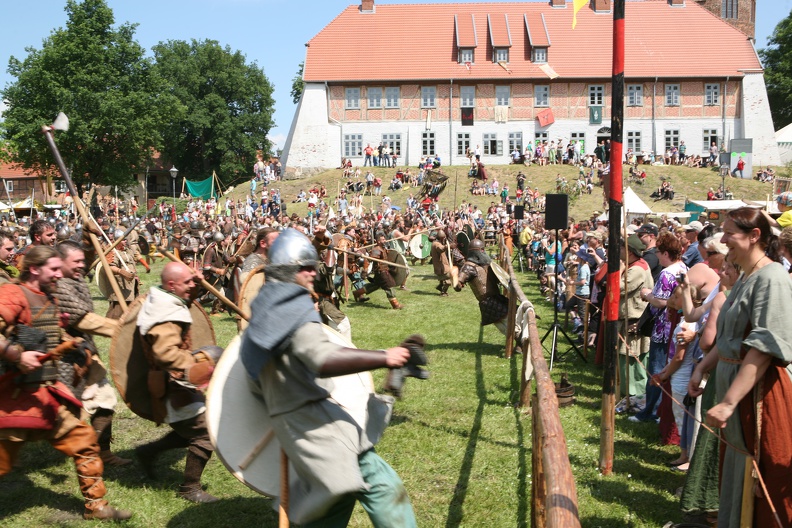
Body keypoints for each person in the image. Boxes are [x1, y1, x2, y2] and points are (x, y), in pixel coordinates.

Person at [240, 229, 419, 526]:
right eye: (306, 267)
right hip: (319, 424)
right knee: (381, 484)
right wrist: (385, 356)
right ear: (289, 270)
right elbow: (322, 358)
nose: (314, 271)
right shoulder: (293, 309)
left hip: (294, 427)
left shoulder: (264, 307)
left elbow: (254, 381)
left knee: (334, 498)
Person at [0, 246, 132, 521]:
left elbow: (48, 331)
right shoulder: (12, 294)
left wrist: (70, 345)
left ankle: (96, 507)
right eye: (54, 269)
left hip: (43, 395)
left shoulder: (47, 296)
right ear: (35, 268)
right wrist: (15, 353)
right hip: (13, 400)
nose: (60, 275)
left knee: (84, 442)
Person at [688, 208, 792, 526]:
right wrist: (702, 368)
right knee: (736, 473)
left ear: (754, 235)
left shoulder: (772, 278)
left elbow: (764, 348)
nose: (723, 239)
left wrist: (730, 401)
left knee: (764, 479)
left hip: (759, 395)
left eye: (730, 232)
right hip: (735, 387)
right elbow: (729, 339)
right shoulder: (746, 277)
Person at [134, 262, 221, 503]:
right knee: (206, 432)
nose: (192, 286)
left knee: (190, 428)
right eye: (187, 282)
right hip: (172, 383)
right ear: (171, 285)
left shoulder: (166, 301)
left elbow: (187, 300)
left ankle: (148, 451)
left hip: (176, 382)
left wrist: (197, 283)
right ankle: (190, 488)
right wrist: (196, 365)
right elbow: (165, 354)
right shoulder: (165, 318)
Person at [56, 241, 131, 466]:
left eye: (81, 261)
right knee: (64, 414)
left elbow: (87, 261)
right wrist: (122, 329)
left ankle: (102, 453)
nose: (81, 265)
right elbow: (83, 320)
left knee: (105, 399)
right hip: (62, 358)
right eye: (75, 261)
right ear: (60, 262)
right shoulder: (58, 284)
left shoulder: (73, 276)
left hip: (84, 353)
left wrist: (90, 240)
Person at [629, 232, 687, 423]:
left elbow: (661, 302)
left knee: (656, 369)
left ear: (665, 253)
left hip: (663, 329)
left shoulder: (666, 273)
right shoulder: (684, 268)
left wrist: (646, 295)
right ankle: (661, 410)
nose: (658, 257)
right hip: (676, 326)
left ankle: (650, 412)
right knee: (667, 370)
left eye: (659, 253)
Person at [455, 238, 510, 335]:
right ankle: (521, 342)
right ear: (475, 252)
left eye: (483, 249)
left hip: (496, 297)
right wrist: (457, 283)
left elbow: (497, 278)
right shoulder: (468, 267)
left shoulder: (485, 264)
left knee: (514, 312)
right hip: (488, 302)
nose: (483, 252)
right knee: (507, 321)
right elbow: (459, 284)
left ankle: (520, 341)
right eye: (481, 250)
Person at [362, 232, 403, 310]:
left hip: (383, 271)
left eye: (385, 239)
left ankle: (357, 293)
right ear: (378, 241)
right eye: (383, 239)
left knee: (375, 286)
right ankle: (395, 305)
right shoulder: (376, 250)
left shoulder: (383, 248)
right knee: (389, 285)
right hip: (381, 272)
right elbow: (368, 260)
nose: (385, 240)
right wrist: (365, 270)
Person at [430, 229, 451, 296]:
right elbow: (441, 249)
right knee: (448, 280)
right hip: (441, 267)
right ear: (442, 238)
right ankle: (443, 292)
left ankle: (440, 286)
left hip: (440, 266)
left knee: (442, 279)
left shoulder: (434, 243)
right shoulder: (436, 244)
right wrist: (448, 246)